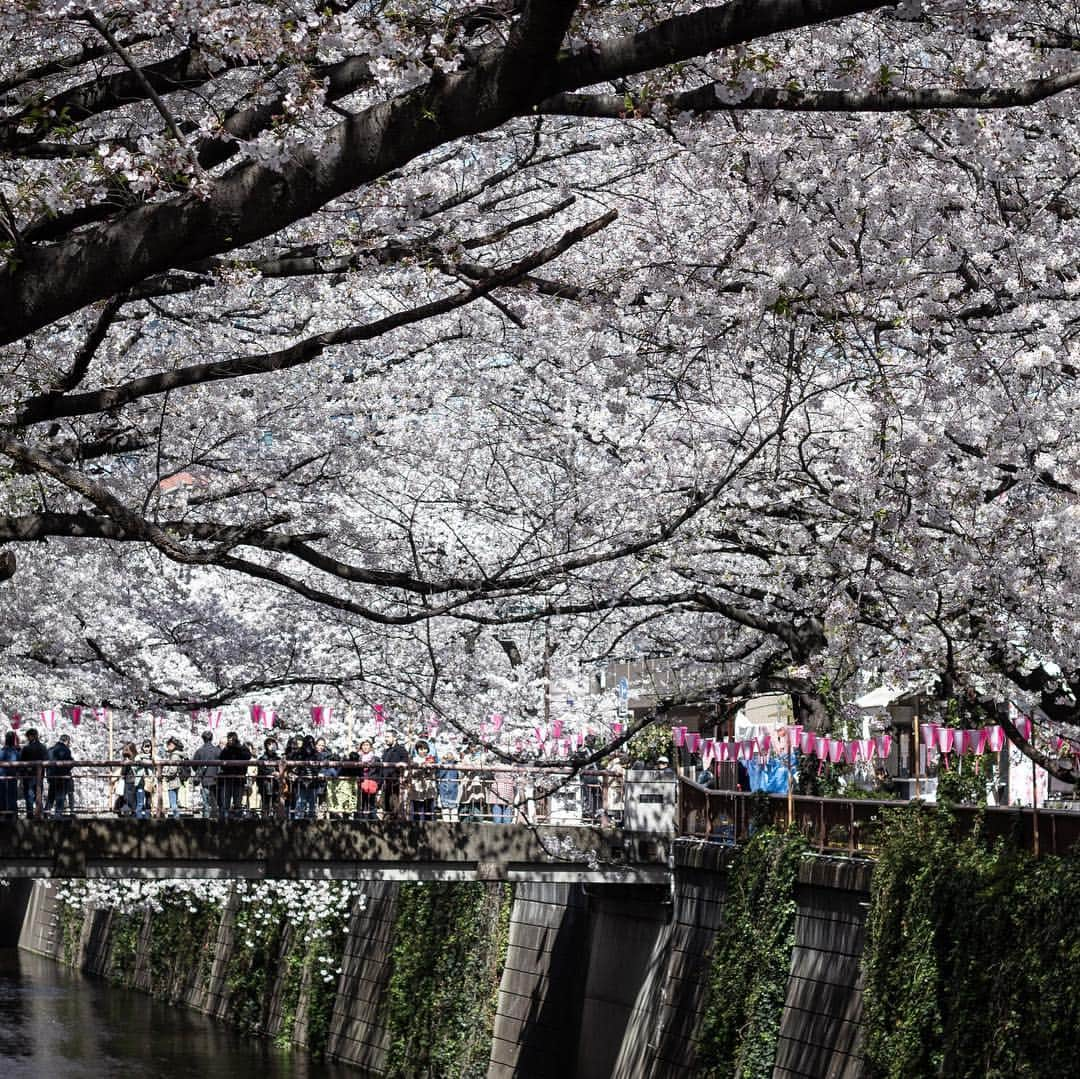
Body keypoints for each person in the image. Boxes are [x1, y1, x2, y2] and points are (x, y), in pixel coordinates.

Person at [218, 730, 252, 818]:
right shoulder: (226, 749)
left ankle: (237, 820)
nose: (230, 741)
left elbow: (247, 756)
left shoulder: (242, 748)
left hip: (238, 778)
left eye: (231, 739)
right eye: (229, 739)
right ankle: (225, 820)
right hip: (228, 778)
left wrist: (237, 748)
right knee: (226, 802)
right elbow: (221, 758)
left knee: (237, 802)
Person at [18, 727, 49, 818]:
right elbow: (46, 761)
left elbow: (21, 762)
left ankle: (30, 815)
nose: (27, 738)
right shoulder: (43, 747)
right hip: (40, 776)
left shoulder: (26, 748)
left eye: (28, 736)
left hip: (28, 776)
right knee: (38, 795)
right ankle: (40, 814)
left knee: (29, 796)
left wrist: (23, 772)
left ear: (32, 736)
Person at [380, 731, 410, 820]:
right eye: (385, 737)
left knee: (395, 806)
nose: (386, 739)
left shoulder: (401, 750)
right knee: (386, 805)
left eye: (388, 737)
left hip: (396, 783)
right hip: (387, 782)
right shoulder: (386, 751)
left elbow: (406, 763)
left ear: (395, 738)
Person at [192, 730, 221, 818]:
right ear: (212, 738)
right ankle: (216, 820)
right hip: (216, 779)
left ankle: (206, 821)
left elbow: (194, 765)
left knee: (206, 802)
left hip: (205, 779)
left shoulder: (200, 751)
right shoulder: (217, 751)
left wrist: (199, 770)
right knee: (215, 801)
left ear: (203, 739)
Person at [46, 733, 75, 817]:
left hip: (51, 776)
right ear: (67, 741)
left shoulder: (50, 750)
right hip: (62, 777)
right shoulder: (66, 750)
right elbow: (70, 764)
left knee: (50, 795)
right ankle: (58, 814)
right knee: (60, 796)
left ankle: (46, 812)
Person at [408, 740, 438, 822]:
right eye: (421, 749)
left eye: (425, 749)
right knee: (418, 809)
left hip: (429, 787)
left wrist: (430, 767)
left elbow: (435, 772)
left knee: (429, 809)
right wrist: (421, 768)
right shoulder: (413, 760)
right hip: (417, 788)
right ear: (417, 750)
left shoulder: (431, 759)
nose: (423, 751)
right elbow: (412, 773)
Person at [356, 738, 381, 820]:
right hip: (361, 783)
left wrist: (378, 784)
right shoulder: (358, 758)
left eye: (367, 745)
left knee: (371, 803)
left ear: (370, 747)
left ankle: (372, 818)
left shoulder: (376, 758)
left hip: (372, 783)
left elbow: (379, 772)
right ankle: (361, 817)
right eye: (363, 745)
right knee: (361, 802)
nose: (365, 747)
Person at [162, 736, 187, 818]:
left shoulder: (174, 755)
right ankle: (176, 818)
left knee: (173, 802)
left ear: (172, 745)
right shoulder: (179, 754)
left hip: (173, 781)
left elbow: (173, 770)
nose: (167, 747)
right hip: (178, 780)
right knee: (175, 801)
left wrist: (165, 774)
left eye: (168, 745)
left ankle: (176, 819)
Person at [257, 736, 282, 818]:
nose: (272, 746)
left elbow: (282, 769)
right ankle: (264, 821)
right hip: (265, 785)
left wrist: (279, 773)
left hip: (276, 785)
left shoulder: (278, 758)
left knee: (276, 804)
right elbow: (262, 770)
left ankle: (276, 821)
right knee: (265, 804)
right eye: (269, 744)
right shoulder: (262, 758)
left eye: (273, 744)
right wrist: (272, 773)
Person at [1, 731, 21, 817]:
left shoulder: (2, 751)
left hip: (2, 777)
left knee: (2, 794)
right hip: (13, 776)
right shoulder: (16, 752)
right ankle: (12, 814)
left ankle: (2, 813)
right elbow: (19, 765)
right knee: (12, 794)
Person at [437, 751, 460, 821]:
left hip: (452, 789)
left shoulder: (456, 765)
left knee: (452, 811)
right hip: (445, 789)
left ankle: (453, 826)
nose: (449, 757)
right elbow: (439, 775)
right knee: (447, 811)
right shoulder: (442, 765)